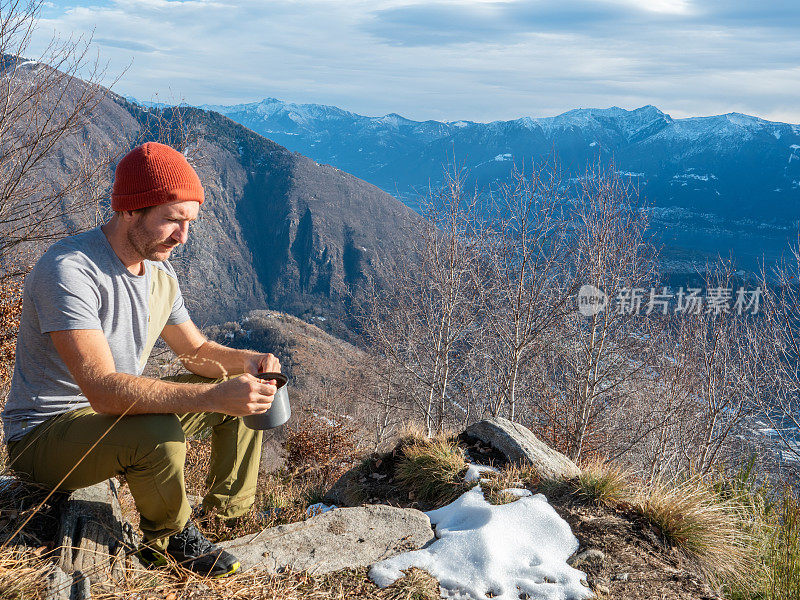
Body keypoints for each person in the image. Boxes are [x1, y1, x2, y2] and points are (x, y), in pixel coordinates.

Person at [1, 141, 280, 578]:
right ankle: (168, 543)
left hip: (110, 423)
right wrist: (213, 397)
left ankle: (224, 520)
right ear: (130, 210)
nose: (183, 237)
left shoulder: (159, 271)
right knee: (160, 430)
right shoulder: (70, 270)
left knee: (244, 396)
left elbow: (196, 352)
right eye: (172, 220)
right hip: (45, 437)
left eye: (189, 222)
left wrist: (250, 363)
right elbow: (103, 389)